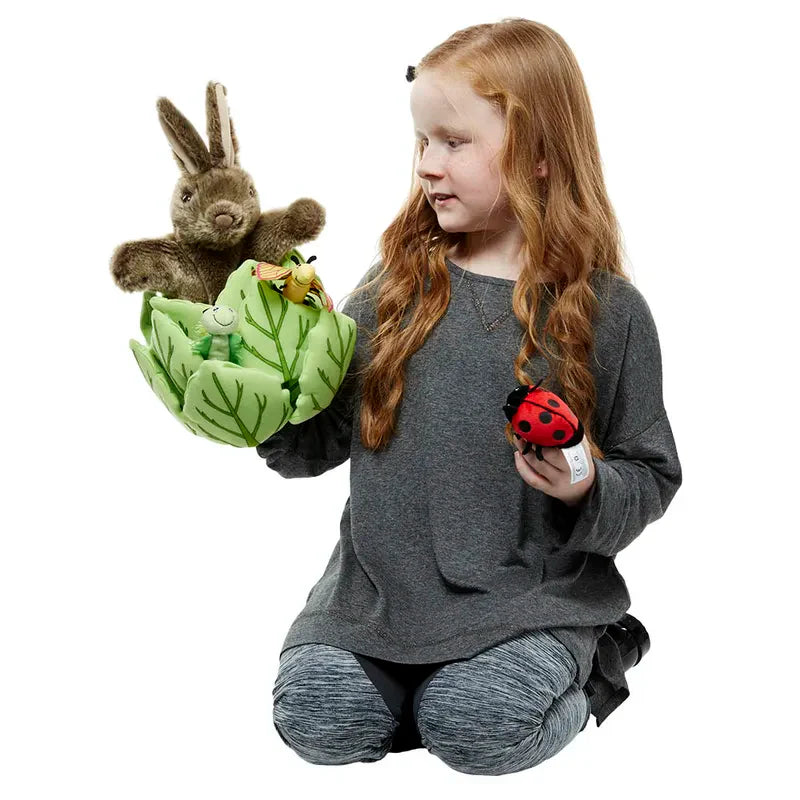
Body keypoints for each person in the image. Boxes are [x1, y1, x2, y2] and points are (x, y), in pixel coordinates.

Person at [259, 18, 682, 775]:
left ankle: (593, 657)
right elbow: (316, 442)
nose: (427, 165)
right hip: (376, 599)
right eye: (422, 143)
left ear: (542, 154)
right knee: (316, 721)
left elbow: (651, 474)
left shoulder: (611, 312)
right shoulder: (391, 290)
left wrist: (585, 478)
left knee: (479, 728)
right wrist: (259, 399)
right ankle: (419, 690)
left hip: (528, 599)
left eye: (454, 143)